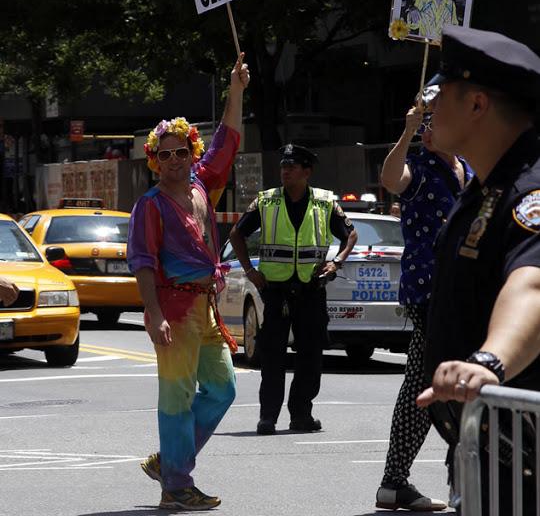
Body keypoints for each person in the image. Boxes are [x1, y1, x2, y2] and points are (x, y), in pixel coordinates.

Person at [416, 25, 540, 515]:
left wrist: (489, 363)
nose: (431, 107)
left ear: (477, 104)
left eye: (441, 94)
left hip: (526, 460)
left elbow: (532, 284)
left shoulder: (530, 193)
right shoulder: (483, 189)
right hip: (487, 450)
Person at [127, 55, 249, 511]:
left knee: (223, 388)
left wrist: (235, 91)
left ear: (191, 154)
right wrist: (153, 313)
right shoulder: (151, 205)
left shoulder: (203, 187)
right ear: (154, 160)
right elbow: (141, 262)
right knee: (176, 397)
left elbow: (228, 140)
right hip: (173, 309)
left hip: (206, 307)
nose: (175, 159)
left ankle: (171, 462)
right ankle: (175, 485)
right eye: (165, 153)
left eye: (182, 151)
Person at [375, 101, 473, 511]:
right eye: (426, 122)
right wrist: (406, 133)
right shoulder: (417, 167)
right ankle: (399, 480)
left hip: (467, 287)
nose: (433, 127)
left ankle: (402, 481)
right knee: (425, 384)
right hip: (429, 290)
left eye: (438, 118)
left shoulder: (468, 166)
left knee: (453, 382)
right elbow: (390, 178)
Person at [229, 144, 358, 435]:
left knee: (310, 356)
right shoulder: (266, 201)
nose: (285, 170)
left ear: (307, 172)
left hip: (312, 289)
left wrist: (336, 262)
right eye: (283, 165)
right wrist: (250, 270)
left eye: (293, 166)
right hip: (275, 290)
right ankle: (268, 418)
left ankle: (301, 415)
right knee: (272, 355)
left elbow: (350, 233)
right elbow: (236, 233)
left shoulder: (325, 202)